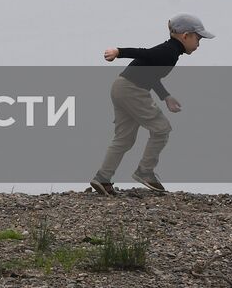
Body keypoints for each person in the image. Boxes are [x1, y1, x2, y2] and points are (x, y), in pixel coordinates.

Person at [90, 13, 215, 196]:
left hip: (121, 86)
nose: (198, 44)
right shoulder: (169, 52)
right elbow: (145, 53)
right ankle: (145, 171)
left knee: (124, 138)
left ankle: (102, 178)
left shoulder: (170, 51)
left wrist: (166, 97)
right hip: (133, 90)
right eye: (198, 38)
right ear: (185, 35)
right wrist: (119, 52)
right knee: (161, 129)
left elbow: (152, 74)